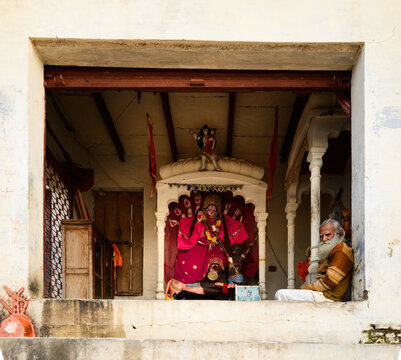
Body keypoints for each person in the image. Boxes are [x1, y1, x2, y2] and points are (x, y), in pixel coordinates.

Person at [173, 193, 248, 287]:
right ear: (205, 209)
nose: (211, 212)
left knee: (222, 264)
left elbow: (224, 235)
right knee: (184, 258)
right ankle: (190, 283)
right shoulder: (200, 218)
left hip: (216, 248)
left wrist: (217, 230)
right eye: (209, 209)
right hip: (201, 245)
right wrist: (200, 223)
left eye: (214, 210)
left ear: (217, 211)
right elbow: (197, 233)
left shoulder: (221, 220)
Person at [275, 218, 354, 302]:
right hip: (321, 294)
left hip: (328, 296)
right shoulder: (332, 250)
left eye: (328, 235)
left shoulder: (342, 250)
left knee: (281, 294)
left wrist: (303, 289)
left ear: (338, 234)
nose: (324, 239)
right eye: (321, 236)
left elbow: (330, 282)